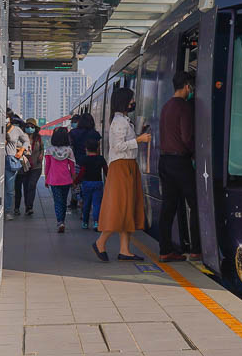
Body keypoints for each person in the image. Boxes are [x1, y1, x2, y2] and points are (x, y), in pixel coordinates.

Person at [92, 87, 150, 262]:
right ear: (124, 101)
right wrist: (138, 140)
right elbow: (117, 147)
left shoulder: (125, 120)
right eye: (131, 99)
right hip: (121, 167)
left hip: (128, 166)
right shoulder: (119, 122)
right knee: (120, 207)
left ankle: (125, 250)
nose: (133, 102)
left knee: (128, 207)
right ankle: (100, 242)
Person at [157, 72, 201, 262]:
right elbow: (186, 137)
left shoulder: (166, 106)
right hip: (180, 163)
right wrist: (196, 153)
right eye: (191, 86)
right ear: (186, 86)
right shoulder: (183, 107)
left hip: (165, 161)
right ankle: (196, 250)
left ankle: (165, 250)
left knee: (168, 207)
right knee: (196, 204)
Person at [44, 127, 76, 232]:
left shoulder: (49, 150)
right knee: (63, 201)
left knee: (57, 201)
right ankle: (62, 220)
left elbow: (47, 166)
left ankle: (60, 222)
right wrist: (74, 179)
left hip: (54, 180)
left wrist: (46, 179)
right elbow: (72, 167)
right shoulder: (69, 150)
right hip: (66, 180)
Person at [76, 137, 107, 230]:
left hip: (86, 184)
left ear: (86, 149)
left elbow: (81, 172)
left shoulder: (84, 159)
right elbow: (106, 171)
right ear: (97, 148)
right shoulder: (101, 158)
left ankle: (85, 223)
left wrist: (76, 181)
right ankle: (96, 223)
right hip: (98, 183)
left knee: (86, 204)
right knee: (97, 204)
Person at [14, 118, 41, 216]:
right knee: (18, 188)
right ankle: (17, 207)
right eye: (28, 126)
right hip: (22, 166)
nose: (30, 128)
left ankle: (29, 207)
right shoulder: (20, 137)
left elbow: (42, 149)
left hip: (35, 166)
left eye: (32, 127)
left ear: (35, 128)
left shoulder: (38, 138)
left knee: (30, 186)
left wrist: (41, 155)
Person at [4, 145, 23, 221]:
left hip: (10, 163)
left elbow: (26, 141)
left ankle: (7, 211)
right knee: (4, 190)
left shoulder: (17, 132)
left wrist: (21, 150)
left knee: (10, 190)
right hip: (0, 160)